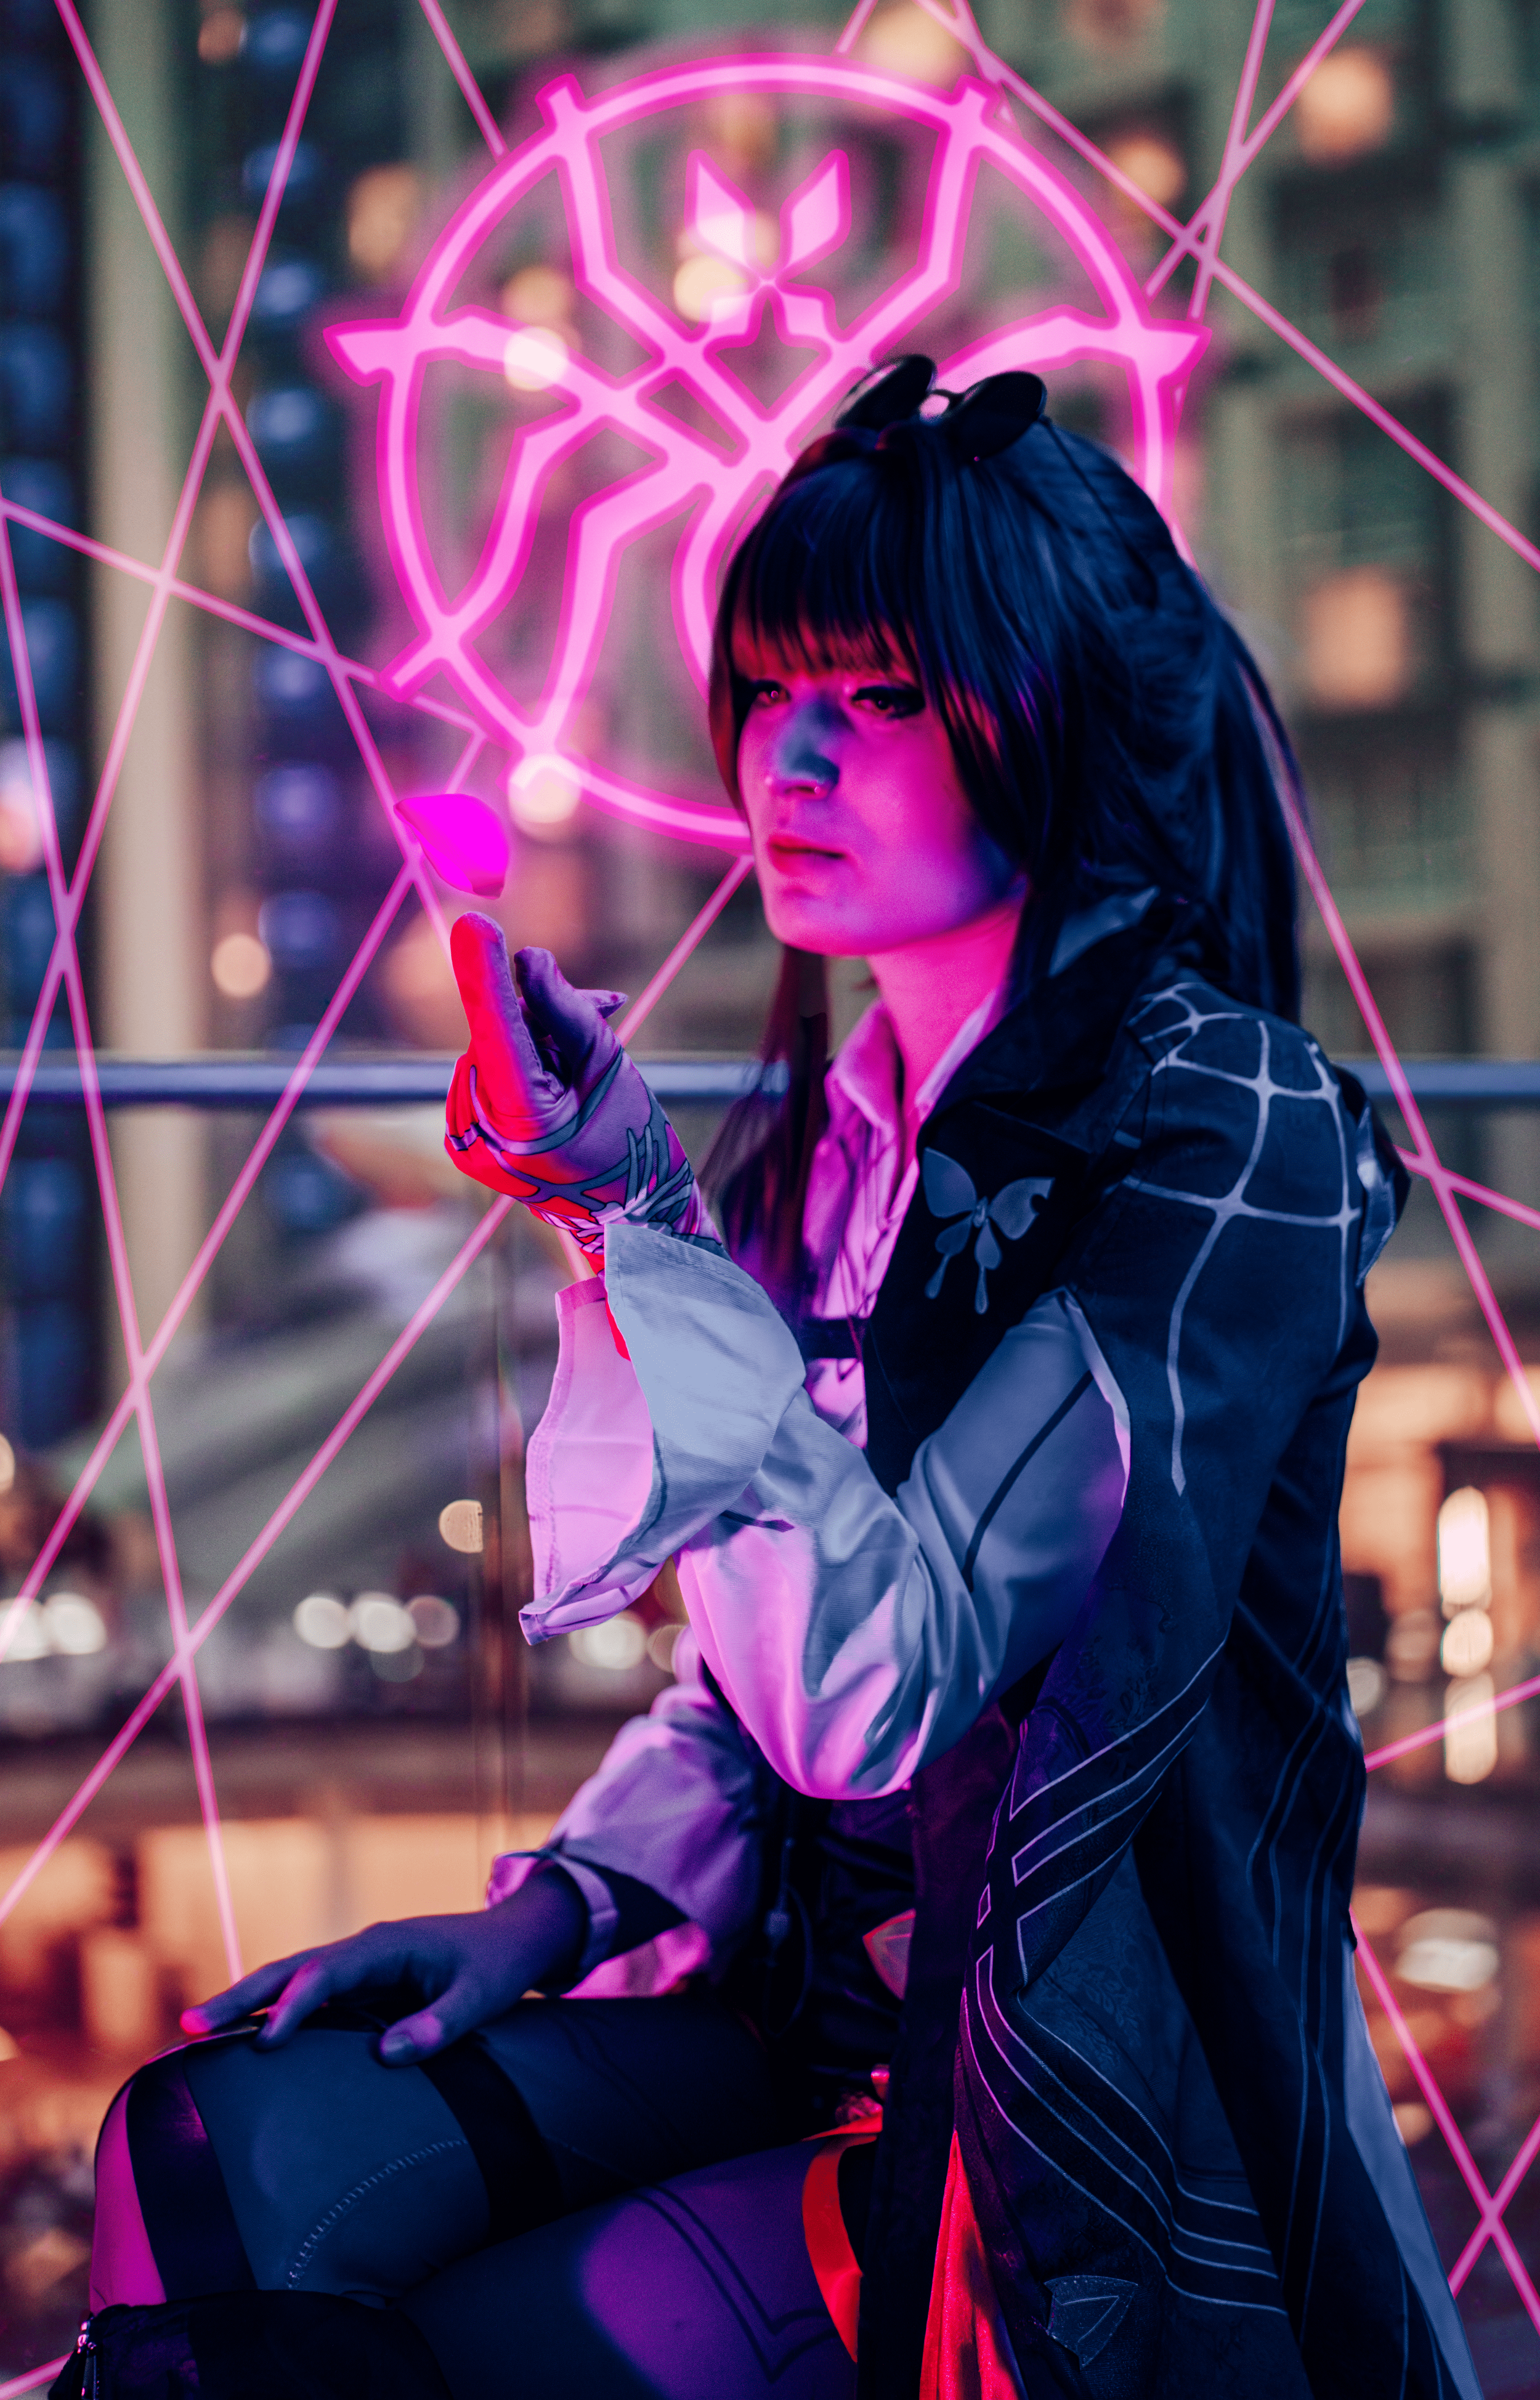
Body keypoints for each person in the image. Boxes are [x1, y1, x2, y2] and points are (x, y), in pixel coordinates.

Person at [66, 360, 1478, 2400]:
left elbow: (880, 1680)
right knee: (215, 2142)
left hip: (1059, 2084)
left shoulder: (1223, 1124)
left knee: (367, 2351)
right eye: (769, 690)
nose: (789, 759)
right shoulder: (836, 1124)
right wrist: (550, 1912)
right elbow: (745, 1691)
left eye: (885, 697)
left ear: (1050, 719)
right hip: (803, 2007)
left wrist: (627, 1220)